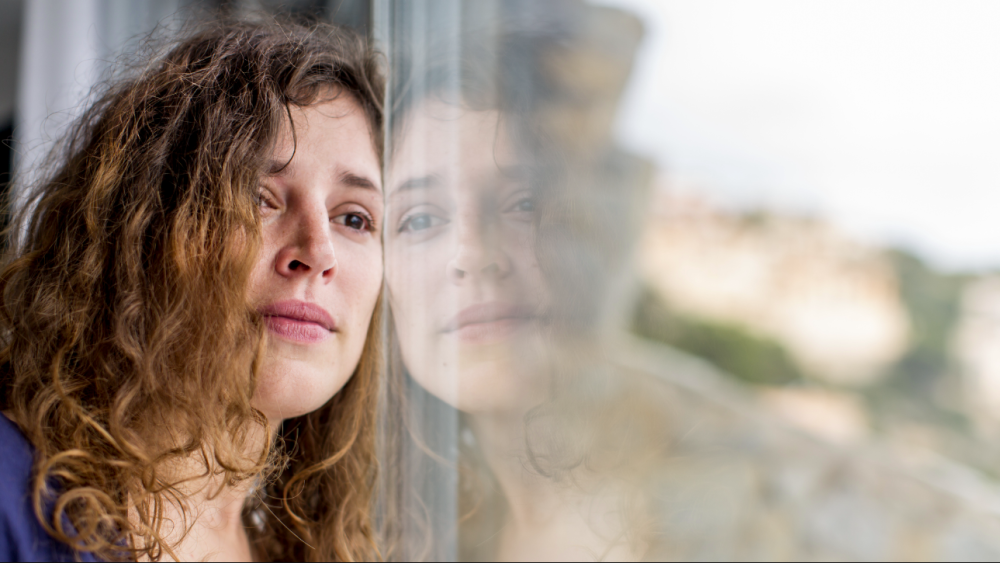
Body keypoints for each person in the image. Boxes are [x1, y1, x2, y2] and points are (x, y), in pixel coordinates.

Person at [0, 18, 385, 562]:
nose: (318, 253)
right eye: (257, 196)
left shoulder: (300, 548)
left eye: (354, 218)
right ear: (142, 227)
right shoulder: (9, 495)